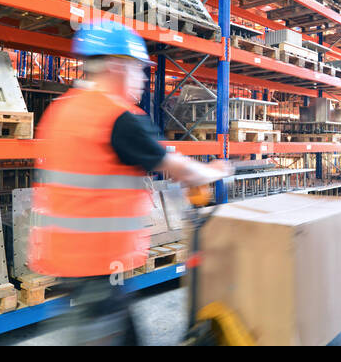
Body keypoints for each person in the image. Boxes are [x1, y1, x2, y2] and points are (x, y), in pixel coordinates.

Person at [29, 20, 234, 345]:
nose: (142, 79)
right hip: (96, 262)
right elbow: (173, 166)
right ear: (115, 66)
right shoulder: (116, 116)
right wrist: (215, 172)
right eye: (138, 70)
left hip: (68, 257)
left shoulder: (62, 109)